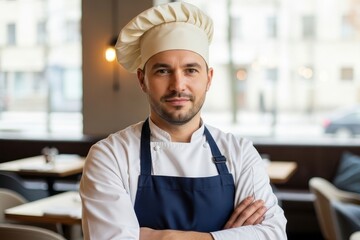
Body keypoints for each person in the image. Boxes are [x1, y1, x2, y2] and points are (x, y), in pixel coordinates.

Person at [79, 2, 287, 240]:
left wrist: (151, 236)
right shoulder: (110, 156)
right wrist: (226, 236)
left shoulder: (240, 153)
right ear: (142, 80)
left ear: (208, 79)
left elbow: (273, 234)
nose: (178, 85)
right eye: (163, 71)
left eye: (190, 70)